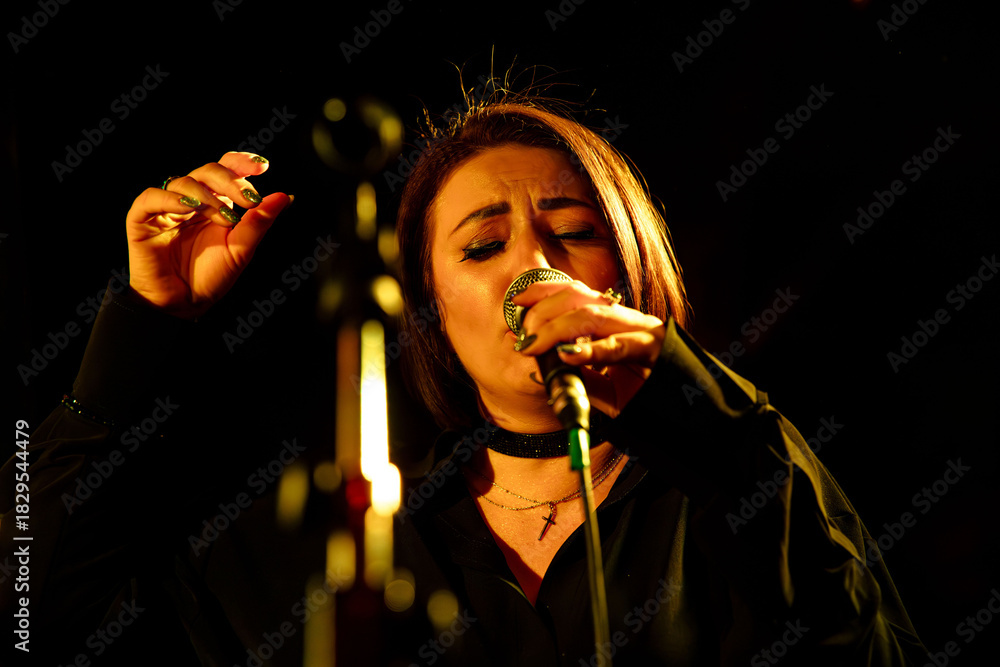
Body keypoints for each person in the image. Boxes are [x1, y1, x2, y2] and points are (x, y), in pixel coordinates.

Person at [1, 89, 926, 666]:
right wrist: (141, 325)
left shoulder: (736, 484)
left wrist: (687, 398)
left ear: (629, 271)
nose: (536, 264)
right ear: (435, 309)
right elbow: (27, 609)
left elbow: (859, 645)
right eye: (483, 245)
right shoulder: (339, 540)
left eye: (574, 231)